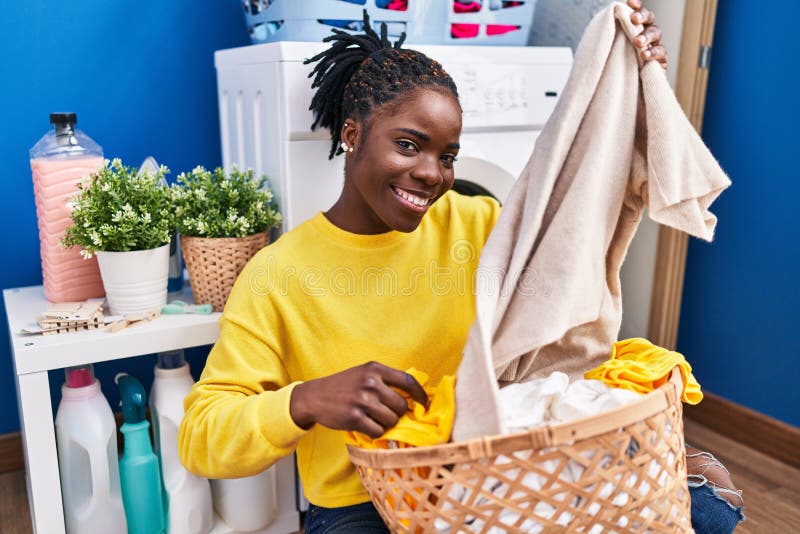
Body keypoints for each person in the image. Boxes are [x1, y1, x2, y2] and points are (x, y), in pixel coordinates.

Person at [179, 1, 741, 532]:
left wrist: (632, 88)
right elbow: (202, 436)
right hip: (365, 501)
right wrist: (305, 400)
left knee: (705, 513)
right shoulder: (279, 273)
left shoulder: (478, 223)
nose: (432, 173)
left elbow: (580, 216)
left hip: (494, 467)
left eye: (447, 156)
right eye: (408, 145)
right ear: (352, 135)